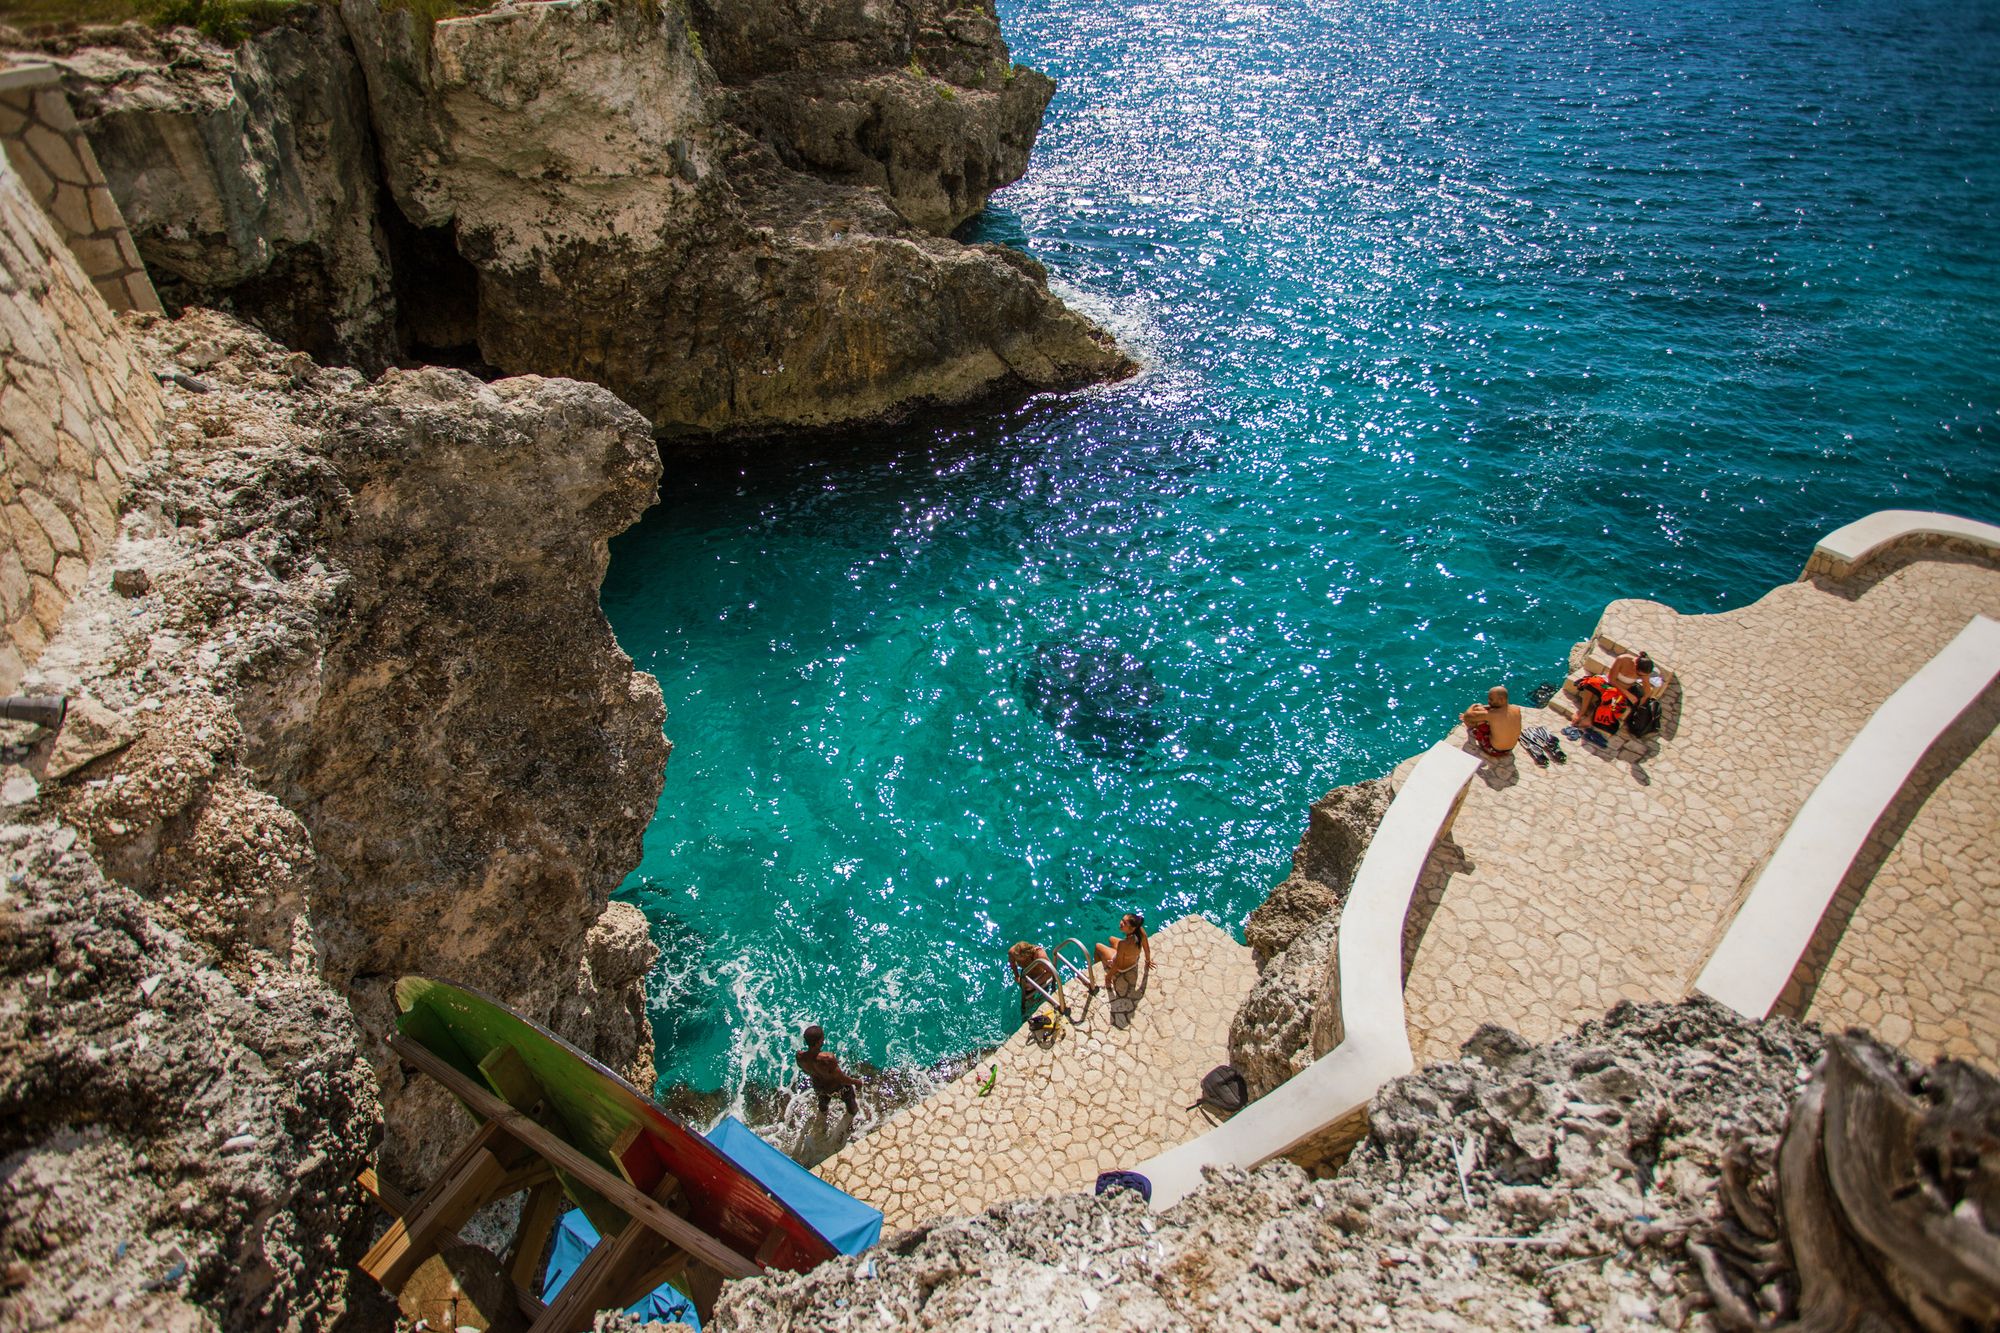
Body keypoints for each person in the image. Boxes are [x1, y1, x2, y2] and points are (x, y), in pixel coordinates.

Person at [796, 1024, 862, 1120]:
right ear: (818, 1042)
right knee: (850, 1101)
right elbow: (842, 1079)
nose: (823, 1040)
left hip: (819, 1087)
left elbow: (805, 1071)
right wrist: (856, 1082)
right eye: (822, 1038)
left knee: (822, 1102)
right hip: (836, 1088)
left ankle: (822, 1117)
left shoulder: (800, 1057)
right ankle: (853, 1118)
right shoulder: (827, 1059)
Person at [1094, 912, 1152, 993]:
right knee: (1111, 939)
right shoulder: (1140, 931)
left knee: (1098, 946)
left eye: (1124, 923)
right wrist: (1148, 961)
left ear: (1132, 929)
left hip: (1123, 968)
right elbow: (1147, 949)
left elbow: (1118, 964)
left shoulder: (1123, 944)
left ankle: (1096, 967)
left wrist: (1108, 977)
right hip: (1134, 961)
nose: (1121, 923)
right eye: (1122, 920)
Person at [1460, 685, 1523, 757]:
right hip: (1510, 749)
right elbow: (1496, 709)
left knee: (1478, 719)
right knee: (1483, 714)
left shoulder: (1492, 715)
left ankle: (1472, 730)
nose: (1489, 702)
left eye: (1491, 699)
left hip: (1494, 751)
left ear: (1501, 700)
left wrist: (1474, 705)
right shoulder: (1516, 709)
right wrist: (1484, 708)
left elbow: (1467, 717)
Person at [1008, 940, 1061, 1018]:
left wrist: (1034, 985)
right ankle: (1027, 1017)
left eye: (1020, 959)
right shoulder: (1012, 952)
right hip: (1027, 977)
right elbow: (1012, 964)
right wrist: (1017, 976)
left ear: (1027, 955)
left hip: (1041, 978)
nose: (1018, 961)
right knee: (1027, 1003)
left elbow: (1051, 972)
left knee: (1044, 998)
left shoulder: (1039, 955)